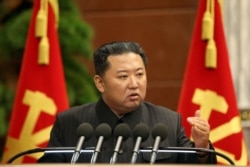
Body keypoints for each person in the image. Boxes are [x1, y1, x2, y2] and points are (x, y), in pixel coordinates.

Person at [38, 41, 217, 164]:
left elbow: (194, 164)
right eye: (123, 76)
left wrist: (202, 147)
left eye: (139, 74)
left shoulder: (168, 122)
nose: (134, 84)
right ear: (100, 83)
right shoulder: (70, 122)